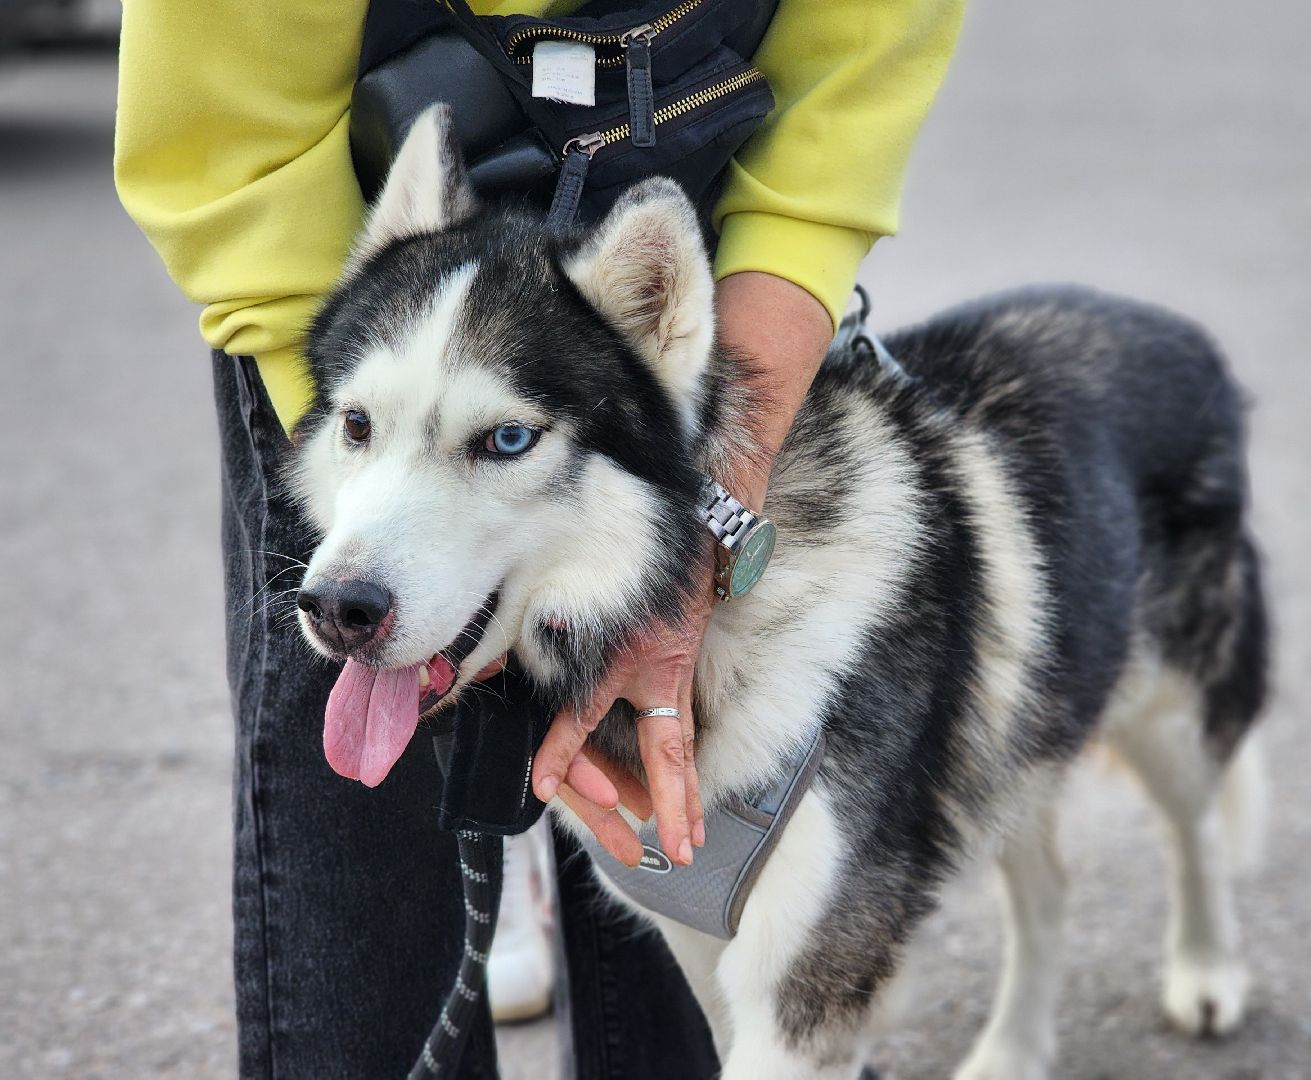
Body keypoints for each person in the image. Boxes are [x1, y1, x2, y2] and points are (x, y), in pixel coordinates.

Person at [115, 1, 966, 1075]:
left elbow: (857, 67)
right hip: (315, 201)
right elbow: (219, 135)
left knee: (662, 785)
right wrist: (346, 396)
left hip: (699, 141)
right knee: (360, 844)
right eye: (362, 432)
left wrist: (701, 525)